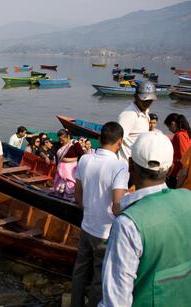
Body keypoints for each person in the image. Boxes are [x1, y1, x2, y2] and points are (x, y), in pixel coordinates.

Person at [99, 131, 191, 307]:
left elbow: (116, 301)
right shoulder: (189, 198)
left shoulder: (128, 223)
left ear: (130, 165)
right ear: (171, 168)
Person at [71, 122, 129, 307]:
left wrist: (87, 209)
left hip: (87, 226)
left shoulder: (85, 159)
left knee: (80, 270)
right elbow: (117, 206)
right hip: (105, 232)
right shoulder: (120, 166)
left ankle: (75, 303)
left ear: (99, 139)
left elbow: (77, 194)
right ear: (120, 142)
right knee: (99, 277)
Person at [117, 80, 156, 165]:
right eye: (144, 100)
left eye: (150, 100)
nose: (147, 103)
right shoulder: (128, 115)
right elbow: (117, 141)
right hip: (126, 164)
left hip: (137, 163)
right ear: (135, 96)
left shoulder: (144, 113)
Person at [53, 129, 85, 201]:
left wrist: (72, 161)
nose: (61, 142)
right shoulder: (60, 144)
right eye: (59, 140)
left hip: (71, 171)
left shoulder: (74, 143)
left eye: (62, 140)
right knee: (59, 189)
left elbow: (82, 155)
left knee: (70, 188)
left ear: (68, 137)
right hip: (60, 171)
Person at [163, 113, 191, 188]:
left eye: (168, 127)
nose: (169, 130)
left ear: (173, 124)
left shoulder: (179, 135)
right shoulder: (186, 133)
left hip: (176, 172)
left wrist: (180, 173)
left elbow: (184, 154)